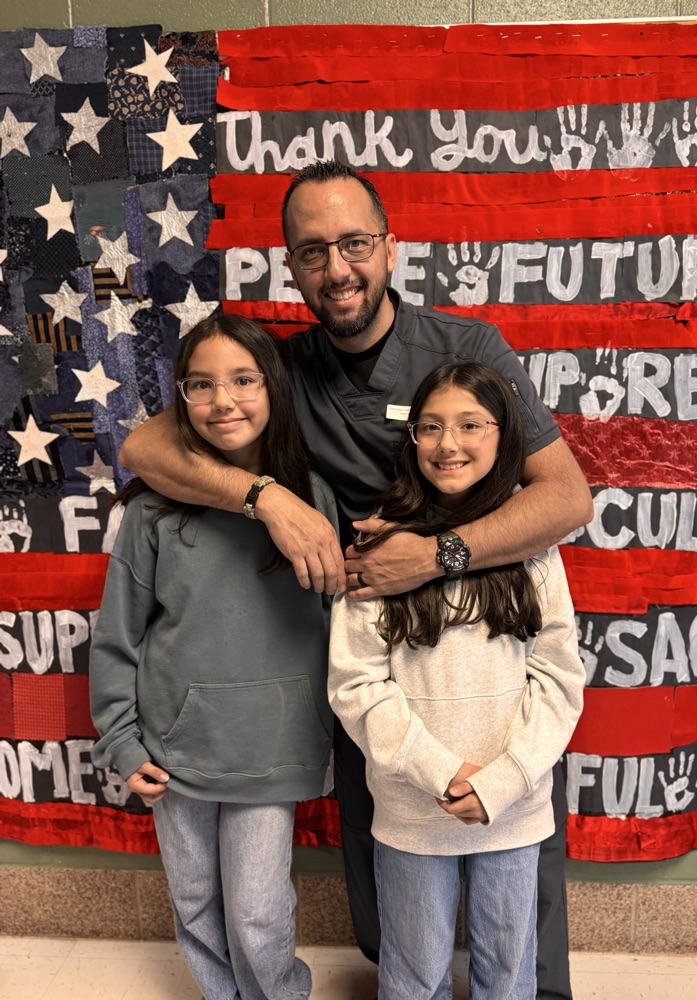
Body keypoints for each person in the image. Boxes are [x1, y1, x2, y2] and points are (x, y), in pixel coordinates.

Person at [119, 159, 593, 999]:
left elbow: (565, 497)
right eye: (312, 252)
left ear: (390, 247)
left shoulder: (465, 347)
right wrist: (267, 498)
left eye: (355, 243)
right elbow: (143, 449)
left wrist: (439, 553)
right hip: (367, 641)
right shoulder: (285, 369)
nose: (337, 269)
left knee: (515, 880)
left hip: (485, 625)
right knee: (387, 867)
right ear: (290, 266)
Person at [90, 316, 338, 1000]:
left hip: (273, 747)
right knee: (196, 903)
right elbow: (119, 636)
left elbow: (347, 626)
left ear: (274, 388)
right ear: (180, 399)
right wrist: (120, 737)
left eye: (241, 380)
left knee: (258, 914)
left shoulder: (317, 504)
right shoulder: (152, 515)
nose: (222, 400)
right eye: (200, 385)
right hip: (175, 749)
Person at [329, 361, 586, 999]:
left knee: (509, 975)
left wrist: (501, 780)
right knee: (414, 975)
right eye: (432, 427)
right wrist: (438, 771)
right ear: (411, 438)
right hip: (414, 805)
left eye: (471, 425)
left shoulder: (532, 547)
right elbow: (356, 683)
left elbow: (558, 678)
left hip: (514, 804)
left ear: (504, 438)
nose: (449, 444)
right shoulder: (379, 545)